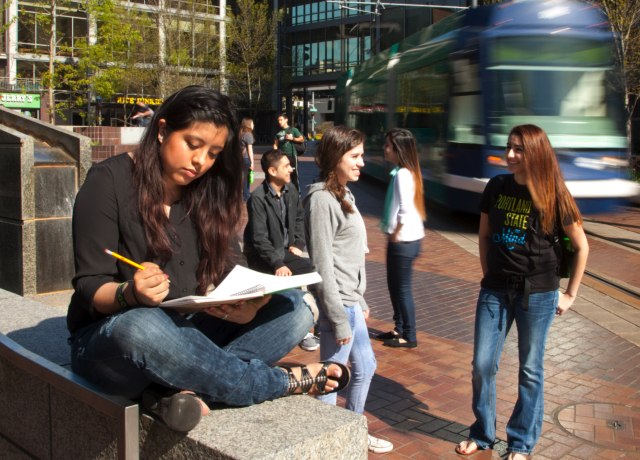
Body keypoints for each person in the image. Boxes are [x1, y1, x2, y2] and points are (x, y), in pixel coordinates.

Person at [67, 86, 350, 433]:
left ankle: (182, 389)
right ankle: (273, 383)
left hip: (188, 329)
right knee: (142, 325)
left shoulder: (206, 190)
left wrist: (251, 304)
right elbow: (89, 286)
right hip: (111, 340)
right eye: (192, 144)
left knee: (296, 305)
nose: (201, 161)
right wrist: (131, 293)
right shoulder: (108, 180)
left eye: (213, 153)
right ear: (162, 130)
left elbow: (230, 266)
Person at [455, 125, 589, 459]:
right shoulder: (497, 186)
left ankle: (520, 443)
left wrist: (570, 294)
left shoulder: (555, 195)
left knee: (530, 369)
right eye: (509, 147)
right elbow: (484, 236)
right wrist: (489, 276)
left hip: (539, 293)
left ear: (536, 153)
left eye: (519, 149)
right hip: (495, 290)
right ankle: (483, 434)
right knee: (482, 365)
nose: (510, 155)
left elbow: (581, 245)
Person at [304, 125, 394, 455]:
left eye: (361, 156)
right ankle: (327, 442)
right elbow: (322, 266)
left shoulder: (343, 194)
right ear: (334, 157)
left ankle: (351, 430)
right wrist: (340, 317)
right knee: (331, 377)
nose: (362, 163)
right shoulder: (322, 201)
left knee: (365, 368)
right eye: (354, 156)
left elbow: (347, 258)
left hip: (350, 302)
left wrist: (361, 297)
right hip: (338, 306)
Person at [243, 149, 319, 351]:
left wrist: (299, 244)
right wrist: (278, 263)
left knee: (311, 273)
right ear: (271, 171)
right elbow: (259, 238)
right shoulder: (257, 198)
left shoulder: (291, 189)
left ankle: (311, 324)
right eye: (286, 166)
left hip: (285, 250)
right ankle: (304, 329)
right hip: (263, 255)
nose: (291, 169)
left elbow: (298, 219)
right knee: (308, 273)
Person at [375, 128, 426, 348]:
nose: (384, 148)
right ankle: (399, 328)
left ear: (399, 149)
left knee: (402, 288)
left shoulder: (403, 174)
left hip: (404, 241)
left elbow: (404, 210)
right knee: (395, 286)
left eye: (388, 145)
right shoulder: (404, 171)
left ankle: (409, 335)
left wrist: (394, 233)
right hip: (405, 240)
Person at [273, 113, 304, 192]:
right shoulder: (277, 132)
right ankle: (285, 192)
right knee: (283, 174)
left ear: (286, 120)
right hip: (282, 157)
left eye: (281, 120)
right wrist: (276, 153)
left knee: (294, 175)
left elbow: (301, 139)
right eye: (278, 120)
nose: (279, 122)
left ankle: (297, 193)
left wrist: (292, 138)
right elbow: (275, 144)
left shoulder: (293, 130)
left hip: (292, 155)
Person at [239, 118, 255, 202]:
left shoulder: (240, 134)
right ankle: (246, 197)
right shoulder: (248, 135)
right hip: (246, 158)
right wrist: (252, 162)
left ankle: (240, 196)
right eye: (252, 124)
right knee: (247, 179)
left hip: (240, 158)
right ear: (249, 125)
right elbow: (250, 149)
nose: (253, 125)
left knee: (241, 178)